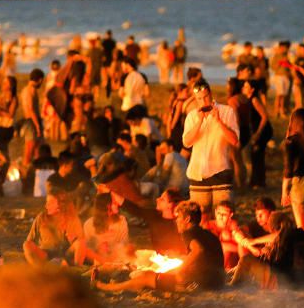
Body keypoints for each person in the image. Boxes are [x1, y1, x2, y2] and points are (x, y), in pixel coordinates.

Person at [92, 200, 225, 293]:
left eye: (178, 217)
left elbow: (198, 250)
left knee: (147, 277)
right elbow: (206, 256)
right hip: (218, 281)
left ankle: (104, 287)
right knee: (159, 273)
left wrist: (178, 271)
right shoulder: (207, 234)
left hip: (200, 284)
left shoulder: (188, 232)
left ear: (187, 219)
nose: (176, 221)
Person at [181, 80, 240, 215]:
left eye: (206, 97)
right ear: (195, 100)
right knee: (200, 220)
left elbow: (234, 140)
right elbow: (187, 142)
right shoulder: (192, 116)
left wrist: (218, 121)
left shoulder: (226, 111)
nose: (203, 101)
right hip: (197, 175)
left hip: (221, 172)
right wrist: (200, 121)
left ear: (211, 94)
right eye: (199, 99)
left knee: (224, 218)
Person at [77, 193, 131, 266]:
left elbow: (125, 244)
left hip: (118, 263)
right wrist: (99, 248)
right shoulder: (89, 225)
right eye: (115, 202)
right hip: (98, 265)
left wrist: (116, 252)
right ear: (107, 206)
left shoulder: (121, 221)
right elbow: (88, 250)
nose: (119, 204)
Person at [242, 78, 272, 188]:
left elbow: (264, 117)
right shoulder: (248, 99)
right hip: (257, 130)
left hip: (263, 130)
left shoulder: (254, 100)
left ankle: (259, 182)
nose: (243, 88)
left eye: (246, 87)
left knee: (258, 155)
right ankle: (257, 181)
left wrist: (258, 133)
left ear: (252, 89)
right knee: (255, 156)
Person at [20, 68, 45, 167]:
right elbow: (31, 109)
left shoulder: (25, 89)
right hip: (32, 122)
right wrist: (37, 125)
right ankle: (25, 173)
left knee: (37, 150)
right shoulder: (31, 90)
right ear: (40, 80)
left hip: (30, 121)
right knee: (29, 151)